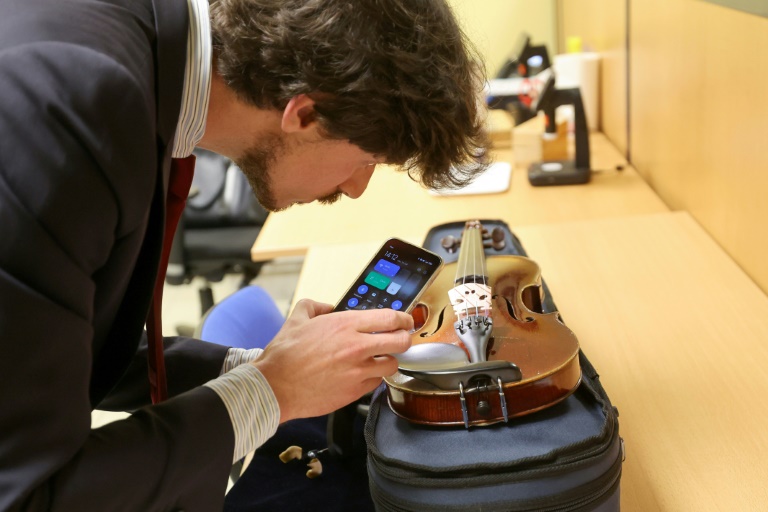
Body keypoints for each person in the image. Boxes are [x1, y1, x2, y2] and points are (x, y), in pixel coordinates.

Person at [0, 0, 489, 509]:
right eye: (366, 159)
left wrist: (268, 366)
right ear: (306, 113)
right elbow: (26, 495)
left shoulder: (139, 52)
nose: (356, 186)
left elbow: (56, 345)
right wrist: (270, 391)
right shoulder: (70, 108)